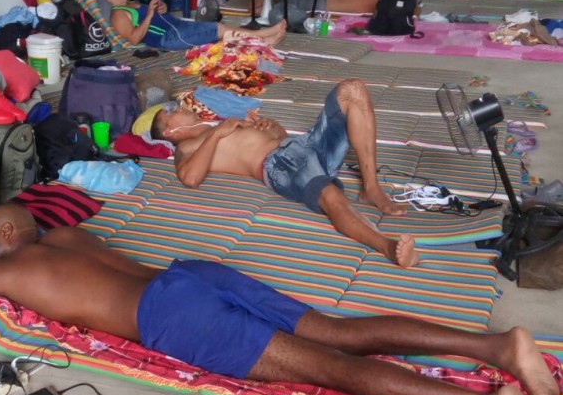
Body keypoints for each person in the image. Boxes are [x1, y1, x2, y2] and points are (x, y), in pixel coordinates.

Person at [0, 203, 560, 395]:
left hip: (169, 314)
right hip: (191, 273)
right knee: (338, 332)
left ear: (10, 229)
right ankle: (499, 346)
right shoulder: (68, 238)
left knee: (328, 368)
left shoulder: (9, 265)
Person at [150, 78, 419, 267]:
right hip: (278, 164)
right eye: (171, 111)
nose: (180, 107)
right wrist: (219, 132)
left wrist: (271, 126)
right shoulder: (187, 146)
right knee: (330, 196)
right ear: (169, 132)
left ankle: (370, 188)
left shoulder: (216, 126)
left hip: (302, 144)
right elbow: (190, 178)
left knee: (352, 89)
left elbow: (279, 135)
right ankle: (387, 247)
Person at [90, 0, 288, 50]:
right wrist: (150, 14)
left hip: (176, 25)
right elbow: (134, 39)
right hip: (170, 38)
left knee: (219, 34)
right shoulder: (117, 15)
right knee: (218, 29)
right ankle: (263, 35)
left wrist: (161, 9)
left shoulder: (130, 4)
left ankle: (264, 43)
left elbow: (153, 16)